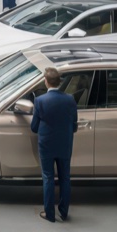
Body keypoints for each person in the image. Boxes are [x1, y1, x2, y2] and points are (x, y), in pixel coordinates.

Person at [30, 67, 77, 222]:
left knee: (48, 178)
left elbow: (34, 127)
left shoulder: (40, 101)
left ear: (46, 81)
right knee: (65, 178)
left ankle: (49, 214)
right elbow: (74, 125)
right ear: (59, 82)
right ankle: (63, 212)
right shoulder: (70, 99)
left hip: (46, 145)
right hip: (65, 144)